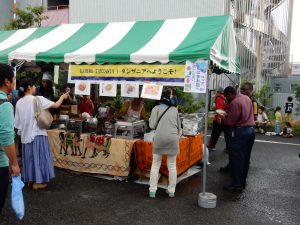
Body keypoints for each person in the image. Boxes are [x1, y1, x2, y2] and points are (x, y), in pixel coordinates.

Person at [15, 77, 69, 190]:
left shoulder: (19, 102)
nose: (36, 87)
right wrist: (63, 97)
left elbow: (18, 125)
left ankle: (30, 180)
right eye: (34, 86)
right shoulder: (37, 99)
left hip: (25, 137)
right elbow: (56, 105)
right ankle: (38, 183)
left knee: (30, 158)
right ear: (29, 87)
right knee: (39, 158)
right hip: (37, 134)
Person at [221, 86, 255, 193]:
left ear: (230, 94)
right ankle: (242, 182)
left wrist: (223, 117)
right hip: (251, 130)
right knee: (245, 158)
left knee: (236, 159)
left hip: (241, 132)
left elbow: (230, 122)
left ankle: (236, 185)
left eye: (227, 96)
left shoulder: (235, 102)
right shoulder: (246, 98)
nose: (227, 99)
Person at [148, 91, 182, 198]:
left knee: (155, 164)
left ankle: (152, 191)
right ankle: (171, 191)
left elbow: (152, 125)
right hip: (173, 138)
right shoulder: (174, 109)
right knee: (172, 165)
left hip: (160, 138)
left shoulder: (156, 109)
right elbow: (179, 128)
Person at [0, 63, 20, 214]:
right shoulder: (5, 105)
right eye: (14, 78)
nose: (15, 81)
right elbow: (7, 139)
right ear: (7, 81)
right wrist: (14, 164)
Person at [207, 87, 231, 151]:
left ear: (218, 92)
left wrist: (218, 118)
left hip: (219, 118)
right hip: (226, 118)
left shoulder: (218, 97)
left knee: (215, 134)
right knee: (228, 134)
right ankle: (229, 148)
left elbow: (218, 109)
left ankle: (211, 146)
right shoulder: (227, 97)